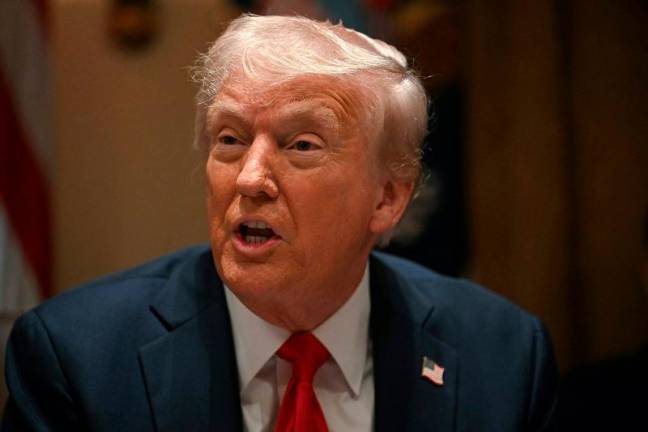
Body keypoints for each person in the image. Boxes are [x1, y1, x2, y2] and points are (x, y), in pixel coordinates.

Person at [2, 14, 557, 432]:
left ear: (388, 198)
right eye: (230, 139)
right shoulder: (75, 358)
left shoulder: (503, 356)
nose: (250, 179)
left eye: (301, 145)